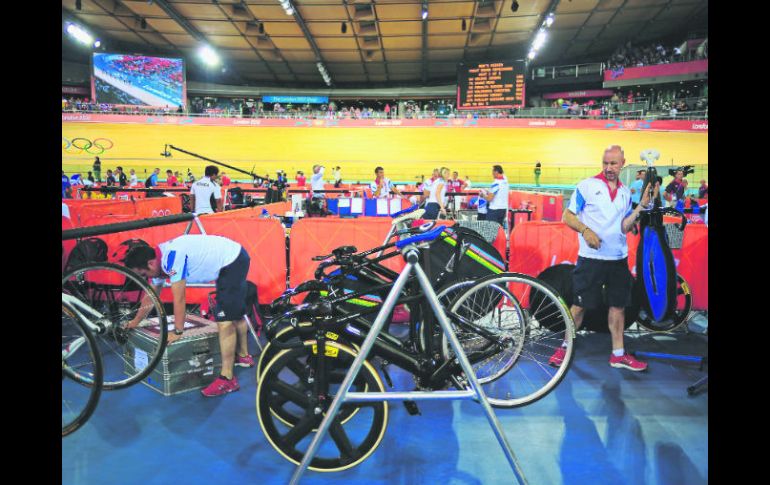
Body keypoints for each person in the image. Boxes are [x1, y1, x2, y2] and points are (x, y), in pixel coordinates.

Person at [551, 145, 654, 372]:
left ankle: (618, 354)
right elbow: (567, 215)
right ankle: (565, 346)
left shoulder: (626, 192)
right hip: (591, 259)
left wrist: (641, 209)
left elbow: (623, 227)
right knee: (578, 307)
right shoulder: (587, 186)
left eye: (613, 164)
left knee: (618, 308)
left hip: (618, 259)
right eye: (605, 163)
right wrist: (586, 230)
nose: (609, 168)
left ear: (622, 163)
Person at [124, 235, 254, 397]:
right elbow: (151, 296)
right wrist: (136, 321)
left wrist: (178, 331)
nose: (145, 277)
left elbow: (179, 298)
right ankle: (243, 356)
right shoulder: (157, 261)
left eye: (143, 273)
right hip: (231, 257)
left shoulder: (171, 258)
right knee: (233, 312)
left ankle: (228, 378)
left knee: (224, 319)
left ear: (150, 263)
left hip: (232, 260)